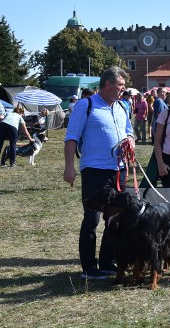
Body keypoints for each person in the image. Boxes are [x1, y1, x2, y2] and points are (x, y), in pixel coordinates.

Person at [63, 66, 134, 279]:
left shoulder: (122, 106)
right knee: (92, 217)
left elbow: (129, 131)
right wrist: (69, 167)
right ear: (108, 84)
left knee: (114, 218)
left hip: (119, 170)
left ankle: (106, 261)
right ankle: (88, 267)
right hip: (95, 170)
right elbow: (71, 137)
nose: (123, 89)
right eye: (120, 85)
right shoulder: (87, 105)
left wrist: (129, 141)